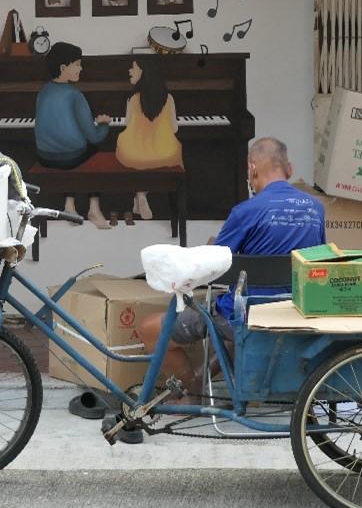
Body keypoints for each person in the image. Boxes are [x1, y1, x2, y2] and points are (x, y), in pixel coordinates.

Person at [139, 137, 324, 392]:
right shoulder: (316, 208)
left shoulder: (245, 211)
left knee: (151, 328)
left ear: (252, 169)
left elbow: (212, 267)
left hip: (248, 313)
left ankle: (191, 391)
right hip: (295, 310)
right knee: (226, 321)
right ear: (289, 169)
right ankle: (204, 379)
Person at [33, 41, 113, 228]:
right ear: (63, 68)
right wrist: (103, 125)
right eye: (77, 64)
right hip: (69, 158)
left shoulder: (43, 91)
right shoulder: (75, 95)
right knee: (95, 150)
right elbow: (94, 136)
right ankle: (94, 208)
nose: (81, 68)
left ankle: (69, 204)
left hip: (44, 156)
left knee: (74, 152)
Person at [115, 58, 182, 221]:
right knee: (154, 156)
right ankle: (142, 195)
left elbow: (127, 125)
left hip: (134, 154)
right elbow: (174, 128)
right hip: (166, 153)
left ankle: (140, 193)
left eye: (133, 68)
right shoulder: (169, 98)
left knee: (134, 152)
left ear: (144, 73)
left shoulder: (132, 99)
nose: (130, 71)